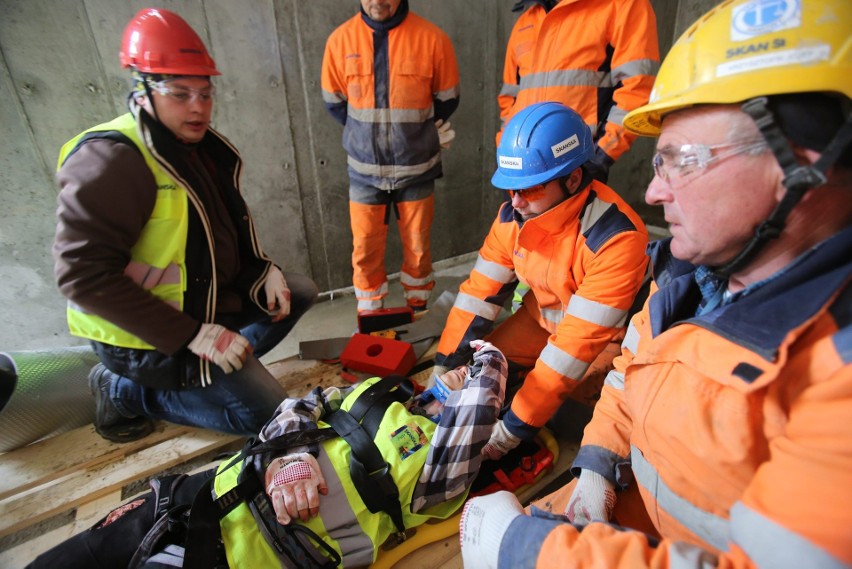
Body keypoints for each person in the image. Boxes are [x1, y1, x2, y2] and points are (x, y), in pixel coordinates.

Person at [458, 0, 852, 566]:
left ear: (802, 163)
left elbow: (579, 351)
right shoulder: (689, 277)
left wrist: (530, 548)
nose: (654, 193)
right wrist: (595, 462)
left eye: (682, 161)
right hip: (639, 503)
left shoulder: (835, 374)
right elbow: (628, 376)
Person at [53, 8, 318, 443]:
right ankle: (123, 391)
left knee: (298, 289)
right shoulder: (113, 162)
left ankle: (219, 366)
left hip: (200, 304)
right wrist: (196, 336)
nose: (199, 107)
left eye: (205, 93)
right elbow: (81, 277)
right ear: (143, 91)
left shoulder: (195, 148)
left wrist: (263, 267)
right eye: (180, 93)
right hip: (143, 335)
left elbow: (220, 232)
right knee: (274, 424)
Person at [26, 341, 508, 569]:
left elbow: (469, 429)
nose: (462, 373)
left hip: (238, 558)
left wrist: (491, 370)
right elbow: (303, 403)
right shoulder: (380, 394)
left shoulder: (444, 474)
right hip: (190, 500)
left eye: (472, 378)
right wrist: (290, 453)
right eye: (464, 367)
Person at [433, 102, 649, 462]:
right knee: (476, 373)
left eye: (529, 190)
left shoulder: (615, 238)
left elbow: (573, 348)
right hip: (538, 322)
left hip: (603, 344)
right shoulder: (512, 218)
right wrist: (445, 361)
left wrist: (513, 429)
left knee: (567, 424)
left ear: (573, 179)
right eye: (510, 189)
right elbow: (477, 297)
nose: (516, 202)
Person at [321, 0, 460, 312]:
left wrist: (416, 136)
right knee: (365, 247)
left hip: (418, 167)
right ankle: (370, 311)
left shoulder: (432, 39)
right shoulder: (340, 41)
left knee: (418, 245)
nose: (377, 1)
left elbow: (447, 98)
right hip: (363, 169)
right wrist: (365, 136)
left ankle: (418, 305)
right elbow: (334, 101)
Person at [498, 0, 659, 183]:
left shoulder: (622, 4)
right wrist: (505, 148)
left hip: (575, 162)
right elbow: (510, 97)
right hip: (519, 166)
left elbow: (637, 89)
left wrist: (600, 155)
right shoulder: (525, 20)